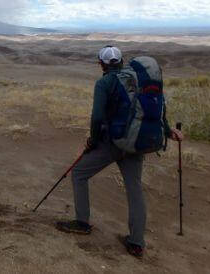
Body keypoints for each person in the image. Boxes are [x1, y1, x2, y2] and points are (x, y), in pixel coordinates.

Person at [55, 46, 183, 258]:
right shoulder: (141, 80)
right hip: (136, 144)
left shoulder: (105, 83)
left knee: (79, 174)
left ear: (101, 64)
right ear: (122, 61)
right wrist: (169, 132)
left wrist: (92, 142)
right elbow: (159, 111)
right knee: (134, 189)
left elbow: (97, 118)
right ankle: (136, 243)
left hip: (113, 143)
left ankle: (82, 223)